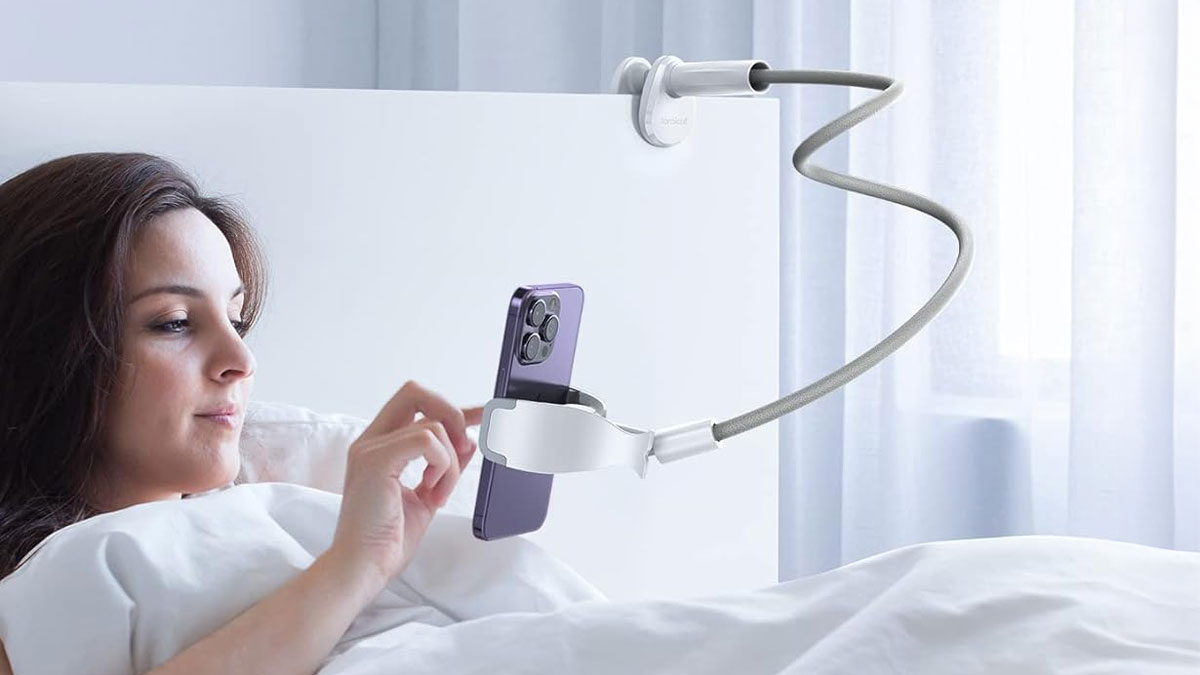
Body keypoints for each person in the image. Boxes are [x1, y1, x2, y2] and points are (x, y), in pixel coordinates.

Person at [0, 152, 483, 674]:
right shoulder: (29, 603)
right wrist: (356, 566)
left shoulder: (290, 510)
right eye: (175, 322)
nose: (242, 360)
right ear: (45, 350)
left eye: (237, 319)